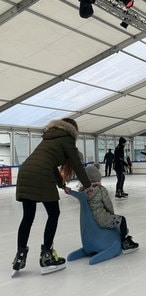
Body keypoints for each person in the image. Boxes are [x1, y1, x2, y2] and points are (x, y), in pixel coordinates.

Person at [12, 118, 94, 276]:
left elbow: (48, 164)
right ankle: (47, 256)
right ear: (73, 129)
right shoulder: (67, 138)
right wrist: (88, 185)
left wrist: (61, 184)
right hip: (40, 175)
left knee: (28, 217)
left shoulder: (49, 136)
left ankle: (20, 256)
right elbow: (76, 163)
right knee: (53, 213)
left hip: (25, 171)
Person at [79, 164, 139, 253]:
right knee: (121, 220)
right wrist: (112, 215)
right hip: (101, 219)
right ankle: (125, 242)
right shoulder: (100, 190)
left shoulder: (82, 191)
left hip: (89, 220)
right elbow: (108, 205)